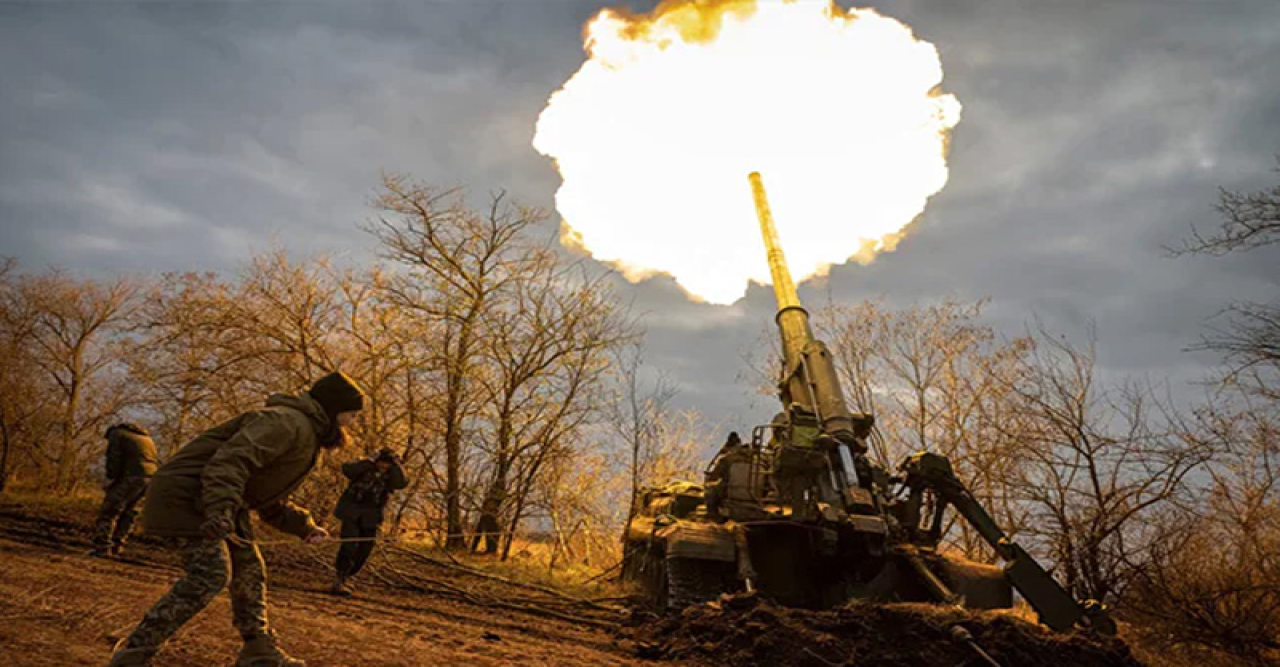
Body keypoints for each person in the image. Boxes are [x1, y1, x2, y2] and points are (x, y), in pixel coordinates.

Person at [107, 371, 366, 667]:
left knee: (249, 570)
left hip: (218, 500)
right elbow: (229, 463)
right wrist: (220, 511)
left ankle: (258, 650)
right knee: (211, 575)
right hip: (189, 497)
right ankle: (134, 653)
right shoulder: (284, 422)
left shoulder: (305, 432)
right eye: (352, 414)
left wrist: (304, 526)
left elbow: (265, 496)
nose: (353, 422)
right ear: (334, 408)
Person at [331, 447, 407, 597]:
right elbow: (347, 469)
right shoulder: (364, 467)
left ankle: (349, 575)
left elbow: (401, 483)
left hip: (371, 516)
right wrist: (369, 461)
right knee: (349, 545)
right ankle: (340, 578)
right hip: (352, 512)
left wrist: (397, 465)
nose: (383, 466)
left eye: (387, 463)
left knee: (365, 549)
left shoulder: (391, 475)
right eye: (381, 462)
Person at [91, 423, 159, 557]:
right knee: (129, 513)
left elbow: (114, 457)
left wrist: (112, 478)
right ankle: (118, 546)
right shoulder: (146, 438)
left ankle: (103, 547)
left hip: (131, 477)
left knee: (109, 511)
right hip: (150, 478)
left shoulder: (117, 434)